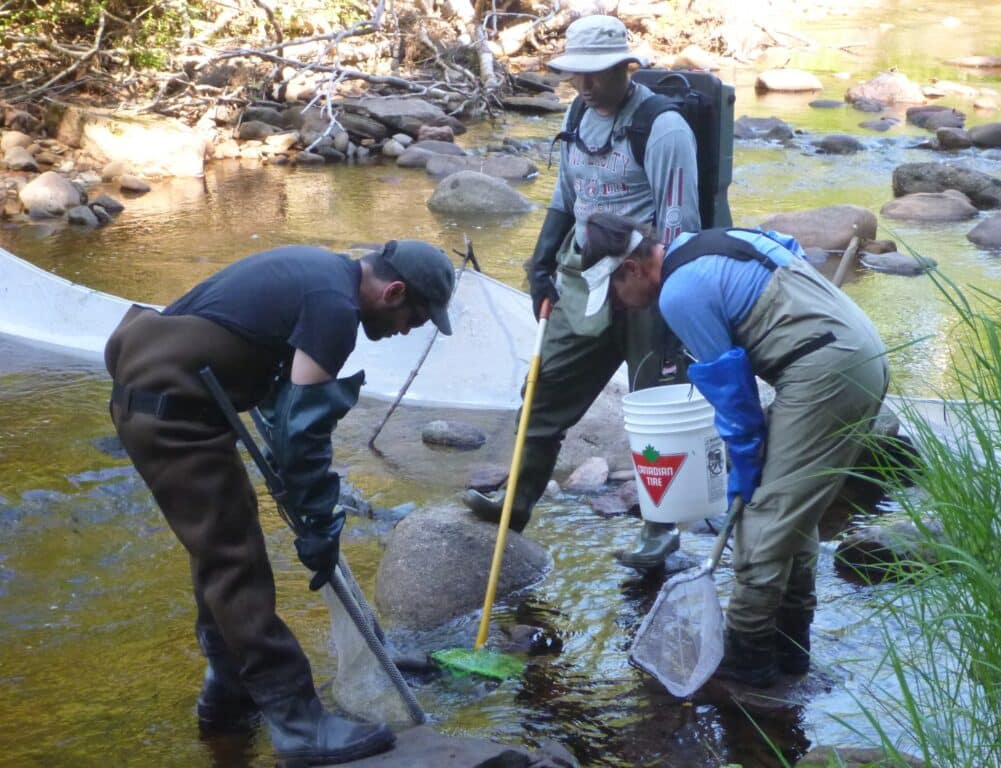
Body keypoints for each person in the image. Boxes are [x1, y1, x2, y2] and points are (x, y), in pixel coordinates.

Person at [104, 240, 455, 764]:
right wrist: (317, 519)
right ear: (394, 291)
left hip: (172, 400)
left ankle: (228, 693)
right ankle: (298, 723)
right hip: (172, 411)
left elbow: (279, 405)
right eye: (416, 317)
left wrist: (311, 503)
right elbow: (301, 432)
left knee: (223, 545)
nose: (410, 328)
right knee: (235, 563)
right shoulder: (335, 310)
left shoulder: (322, 275)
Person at [580, 212, 889, 688]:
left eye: (616, 295)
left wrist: (746, 459)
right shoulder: (710, 243)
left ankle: (748, 662)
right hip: (858, 350)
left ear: (633, 270)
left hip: (825, 370)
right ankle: (791, 651)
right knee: (792, 512)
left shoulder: (680, 293)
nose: (622, 307)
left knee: (762, 517)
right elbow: (789, 247)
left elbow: (733, 392)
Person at [464, 14, 702, 569]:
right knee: (542, 393)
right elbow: (566, 197)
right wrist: (541, 263)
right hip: (587, 283)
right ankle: (513, 508)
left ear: (628, 67)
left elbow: (678, 225)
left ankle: (660, 532)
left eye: (597, 74)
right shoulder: (577, 113)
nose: (586, 84)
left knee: (653, 413)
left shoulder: (664, 129)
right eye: (577, 74)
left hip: (649, 286)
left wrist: (668, 309)